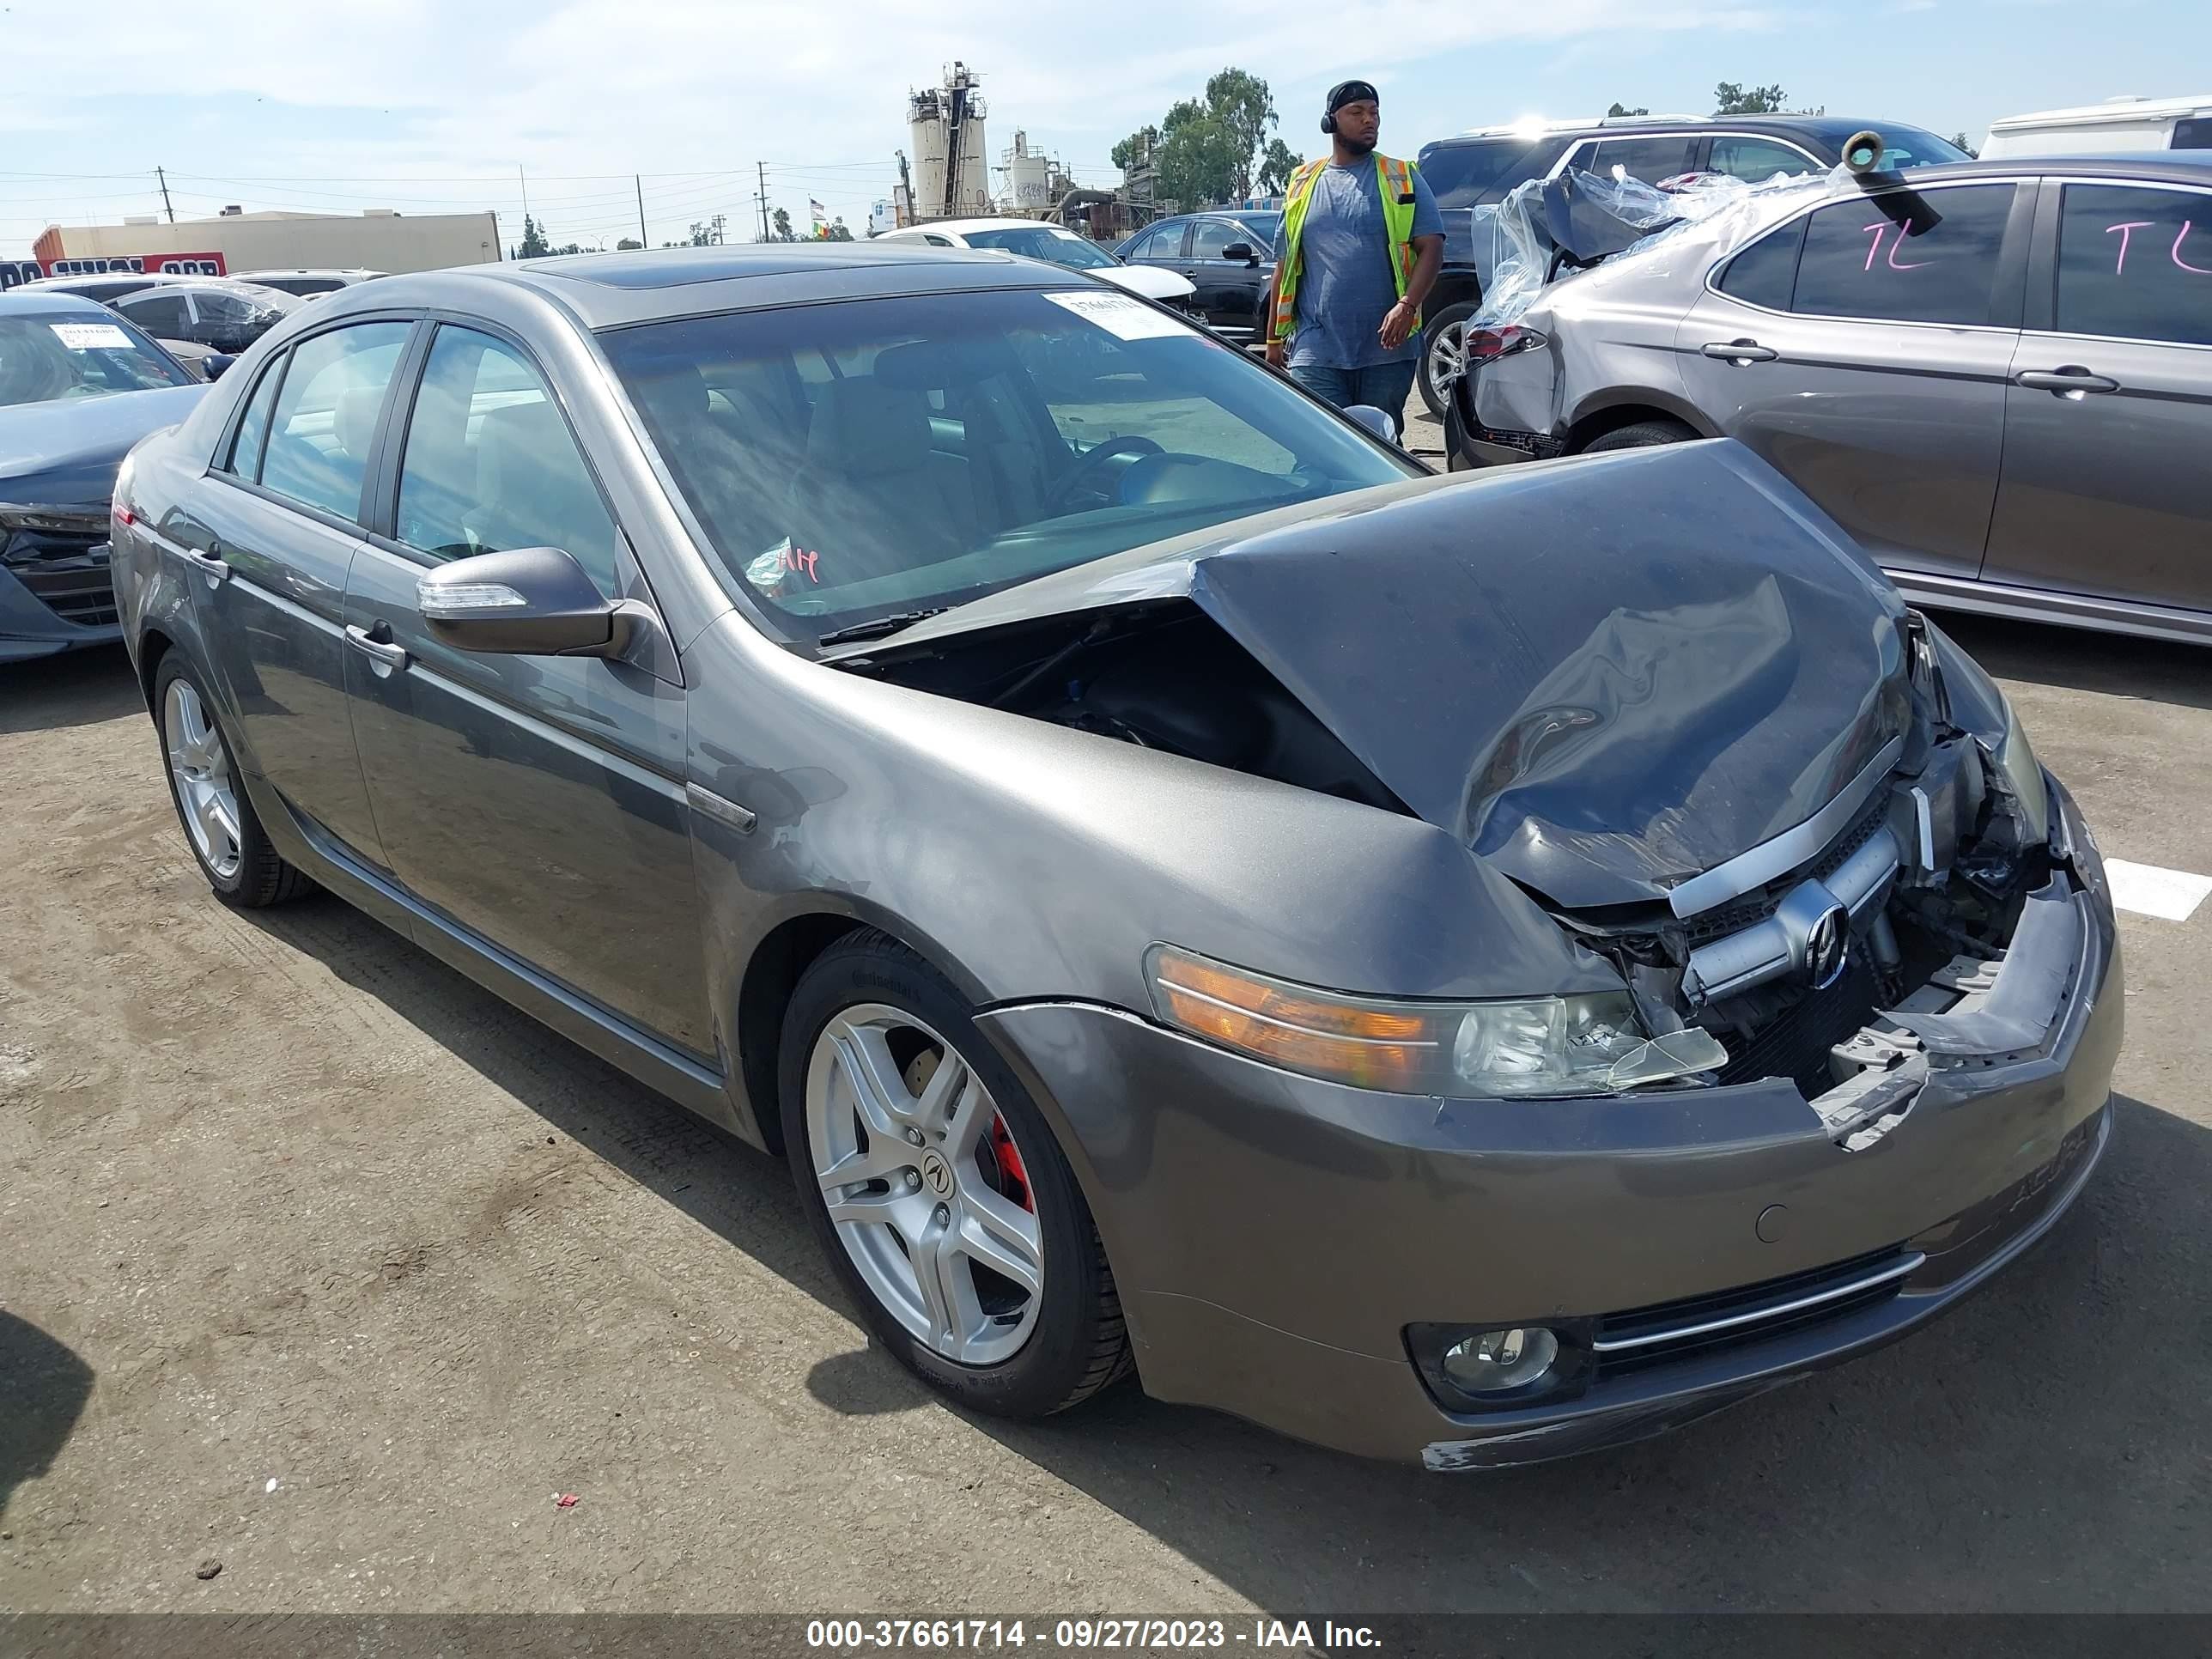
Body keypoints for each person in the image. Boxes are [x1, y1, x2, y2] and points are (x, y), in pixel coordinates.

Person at [1261, 79, 1444, 419]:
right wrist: (1273, 342)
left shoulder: (1401, 177)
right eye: (1356, 112)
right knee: (1321, 444)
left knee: (1377, 444)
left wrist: (1407, 305)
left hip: (1387, 350)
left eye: (1374, 112)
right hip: (1315, 349)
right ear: (1330, 122)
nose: (1368, 120)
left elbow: (1431, 248)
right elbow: (1284, 267)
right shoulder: (1303, 183)